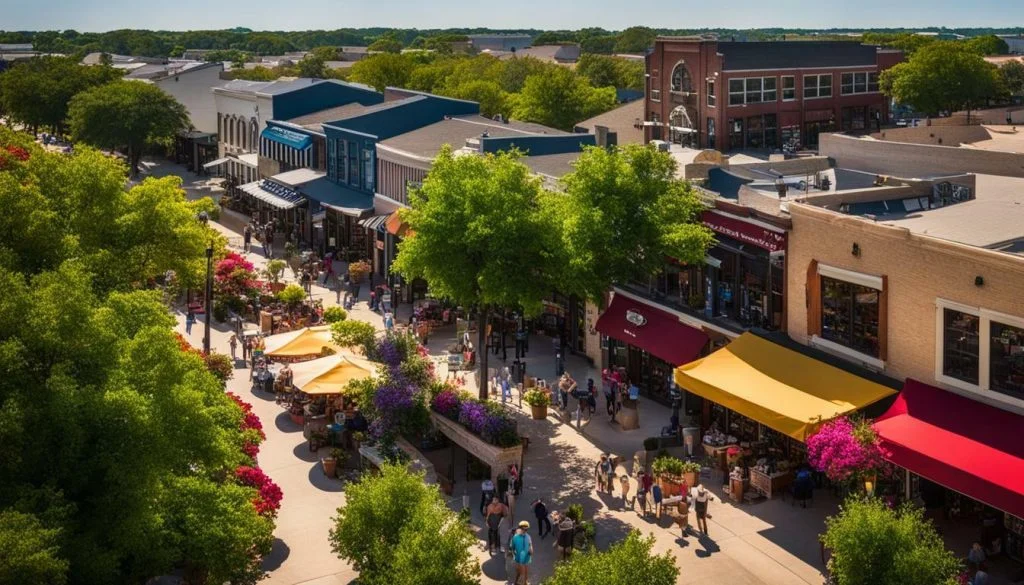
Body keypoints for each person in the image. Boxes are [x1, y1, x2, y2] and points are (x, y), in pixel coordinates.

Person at [509, 521, 533, 585]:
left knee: (524, 571)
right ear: (519, 528)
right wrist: (513, 552)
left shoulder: (528, 536)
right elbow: (512, 546)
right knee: (520, 571)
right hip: (518, 557)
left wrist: (531, 548)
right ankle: (521, 582)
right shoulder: (515, 537)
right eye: (523, 529)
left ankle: (523, 582)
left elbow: (530, 544)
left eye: (526, 529)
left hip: (526, 557)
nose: (525, 531)